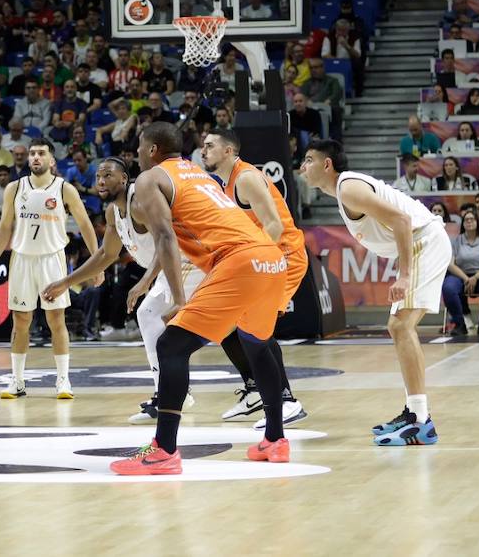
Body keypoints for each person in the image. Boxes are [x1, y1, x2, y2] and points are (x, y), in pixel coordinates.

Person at [110, 123, 291, 475]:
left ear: (151, 150)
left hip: (238, 261)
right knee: (258, 344)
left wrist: (179, 298)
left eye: (139, 147)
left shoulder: (149, 179)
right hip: (270, 258)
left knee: (171, 346)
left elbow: (164, 237)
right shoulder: (200, 175)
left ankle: (163, 451)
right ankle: (275, 439)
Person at [300, 139, 452, 446]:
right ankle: (414, 412)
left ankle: (421, 421)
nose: (302, 166)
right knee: (399, 327)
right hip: (422, 242)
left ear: (326, 164)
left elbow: (402, 220)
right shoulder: (344, 191)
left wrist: (406, 275)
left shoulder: (348, 188)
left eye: (308, 159)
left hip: (425, 240)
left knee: (400, 325)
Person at [45, 157, 204, 422]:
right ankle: (174, 392)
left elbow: (168, 242)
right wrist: (66, 282)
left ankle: (171, 393)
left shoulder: (139, 204)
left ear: (124, 178)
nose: (101, 181)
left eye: (108, 175)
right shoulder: (112, 213)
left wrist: (144, 282)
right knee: (155, 317)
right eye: (98, 177)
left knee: (151, 314)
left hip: (189, 261)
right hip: (170, 269)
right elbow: (106, 254)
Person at [202, 130, 309, 428]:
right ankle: (254, 390)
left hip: (283, 256)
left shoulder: (246, 177)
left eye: (210, 145)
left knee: (255, 330)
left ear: (228, 151)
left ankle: (286, 399)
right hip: (261, 256)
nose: (203, 150)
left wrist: (251, 262)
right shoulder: (223, 184)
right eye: (202, 146)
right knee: (223, 323)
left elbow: (274, 225)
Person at [0, 138, 102, 402]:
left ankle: (63, 380)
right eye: (32, 153)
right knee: (21, 321)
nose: (35, 157)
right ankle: (17, 381)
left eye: (41, 153)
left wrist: (97, 261)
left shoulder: (64, 189)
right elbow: (4, 228)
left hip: (52, 260)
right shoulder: (14, 188)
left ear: (51, 161)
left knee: (55, 320)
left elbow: (85, 225)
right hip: (22, 259)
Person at [442, 210, 479, 336]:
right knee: (448, 287)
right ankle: (460, 324)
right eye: (466, 220)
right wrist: (466, 278)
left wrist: (475, 277)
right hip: (460, 275)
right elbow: (450, 264)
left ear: (477, 222)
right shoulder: (456, 241)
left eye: (472, 219)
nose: (469, 221)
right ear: (462, 224)